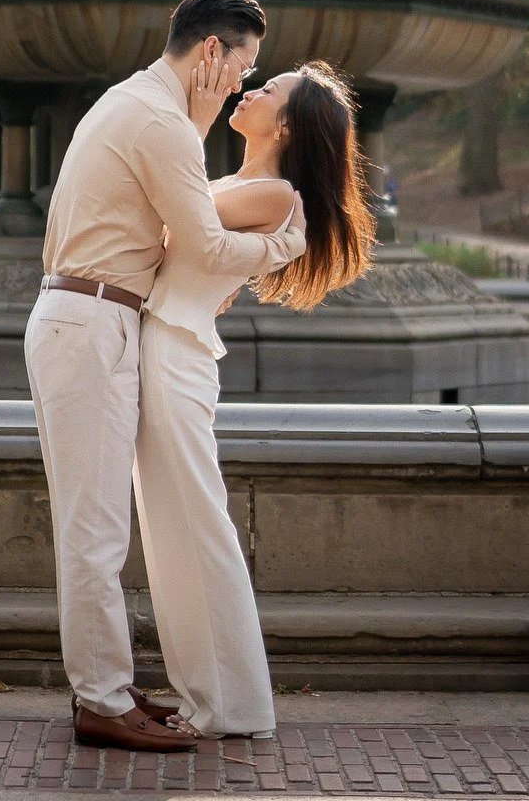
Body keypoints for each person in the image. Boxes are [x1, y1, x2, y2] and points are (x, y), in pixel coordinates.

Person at [24, 0, 306, 753]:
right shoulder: (162, 124)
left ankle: (108, 688)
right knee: (96, 529)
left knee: (101, 525)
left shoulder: (139, 103)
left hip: (89, 317)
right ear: (213, 51)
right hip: (92, 323)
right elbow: (209, 247)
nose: (243, 80)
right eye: (243, 65)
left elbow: (182, 220)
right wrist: (281, 247)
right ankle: (101, 701)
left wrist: (204, 120)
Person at [135, 60, 374, 738]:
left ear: (289, 123)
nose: (253, 89)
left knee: (197, 527)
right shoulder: (242, 185)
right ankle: (204, 697)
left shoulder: (276, 196)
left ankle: (231, 706)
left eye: (271, 89)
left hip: (175, 359)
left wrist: (195, 119)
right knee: (169, 532)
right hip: (165, 353)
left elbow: (168, 209)